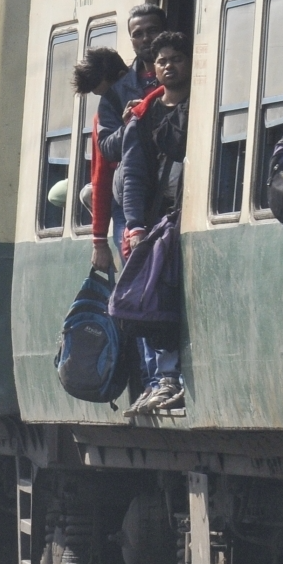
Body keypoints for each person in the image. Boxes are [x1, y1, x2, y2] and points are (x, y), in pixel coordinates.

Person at [119, 30, 193, 415]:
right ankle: (163, 379)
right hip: (158, 220)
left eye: (176, 58)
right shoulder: (144, 117)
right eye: (161, 60)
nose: (169, 65)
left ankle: (169, 379)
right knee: (151, 301)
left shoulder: (199, 107)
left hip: (189, 216)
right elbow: (133, 175)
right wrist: (134, 226)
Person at [89, 4, 167, 274]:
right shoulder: (116, 93)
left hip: (170, 192)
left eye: (153, 30)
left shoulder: (177, 80)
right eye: (138, 33)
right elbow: (106, 149)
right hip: (131, 199)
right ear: (131, 40)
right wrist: (128, 125)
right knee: (136, 275)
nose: (146, 38)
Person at [71, 47, 132, 229]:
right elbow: (102, 175)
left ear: (122, 77)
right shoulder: (103, 119)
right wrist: (99, 239)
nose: (105, 103)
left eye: (107, 95)